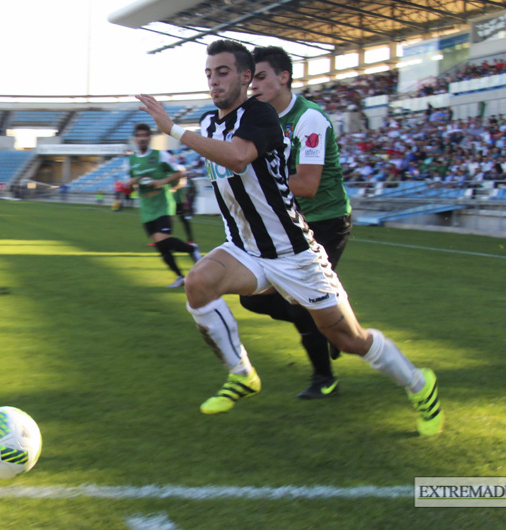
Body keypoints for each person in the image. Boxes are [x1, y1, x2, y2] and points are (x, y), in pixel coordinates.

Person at [135, 39, 443, 436]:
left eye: (223, 72)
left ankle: (420, 386)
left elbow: (239, 157)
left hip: (295, 254)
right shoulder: (211, 123)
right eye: (209, 73)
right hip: (246, 250)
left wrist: (173, 130)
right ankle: (242, 374)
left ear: (245, 77)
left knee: (350, 339)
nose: (214, 80)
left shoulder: (261, 114)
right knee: (198, 282)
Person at [243, 45, 352, 399]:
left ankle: (325, 378)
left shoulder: (309, 119)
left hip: (327, 220)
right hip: (290, 222)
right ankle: (330, 327)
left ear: (284, 77)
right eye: (250, 79)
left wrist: (256, 182)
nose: (253, 86)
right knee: (252, 298)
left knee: (303, 300)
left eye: (260, 77)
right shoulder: (258, 120)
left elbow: (307, 184)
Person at [126, 123, 202, 288]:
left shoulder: (160, 156)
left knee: (161, 240)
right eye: (139, 135)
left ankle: (192, 250)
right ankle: (180, 277)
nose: (142, 138)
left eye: (145, 135)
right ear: (135, 138)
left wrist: (161, 181)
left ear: (149, 138)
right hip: (146, 209)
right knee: (161, 247)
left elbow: (179, 173)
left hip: (162, 206)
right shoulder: (131, 160)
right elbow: (131, 186)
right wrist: (132, 182)